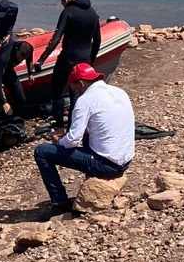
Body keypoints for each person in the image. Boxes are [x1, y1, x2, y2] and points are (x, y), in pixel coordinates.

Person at [33, 63, 135, 211]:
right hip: (125, 160)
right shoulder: (119, 92)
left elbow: (73, 140)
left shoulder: (85, 100)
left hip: (107, 165)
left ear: (80, 83)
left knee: (42, 152)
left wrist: (59, 141)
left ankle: (59, 202)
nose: (74, 92)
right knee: (89, 134)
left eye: (74, 88)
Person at [34, 0, 101, 128]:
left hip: (68, 58)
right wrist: (91, 61)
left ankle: (58, 122)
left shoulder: (68, 11)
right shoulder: (93, 13)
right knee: (76, 94)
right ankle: (74, 126)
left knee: (57, 89)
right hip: (85, 59)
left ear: (65, 0)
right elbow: (98, 40)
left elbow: (56, 38)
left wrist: (42, 59)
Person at [0, 37, 34, 116]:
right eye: (20, 56)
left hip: (8, 70)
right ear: (16, 49)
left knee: (20, 97)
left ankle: (16, 116)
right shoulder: (4, 57)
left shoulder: (29, 48)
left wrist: (30, 73)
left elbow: (30, 59)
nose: (21, 59)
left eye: (23, 58)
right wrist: (4, 102)